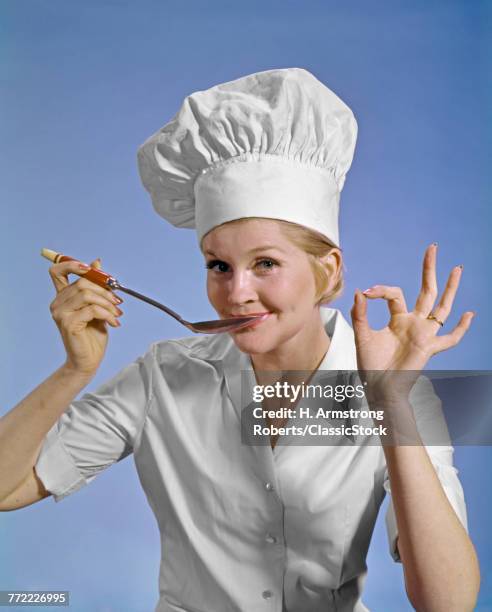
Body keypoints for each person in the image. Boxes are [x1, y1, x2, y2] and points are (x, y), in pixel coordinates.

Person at [0, 68, 480, 611]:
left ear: (329, 269)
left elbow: (448, 603)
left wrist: (390, 401)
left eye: (266, 263)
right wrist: (75, 371)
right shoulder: (163, 376)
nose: (237, 292)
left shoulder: (399, 391)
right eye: (219, 265)